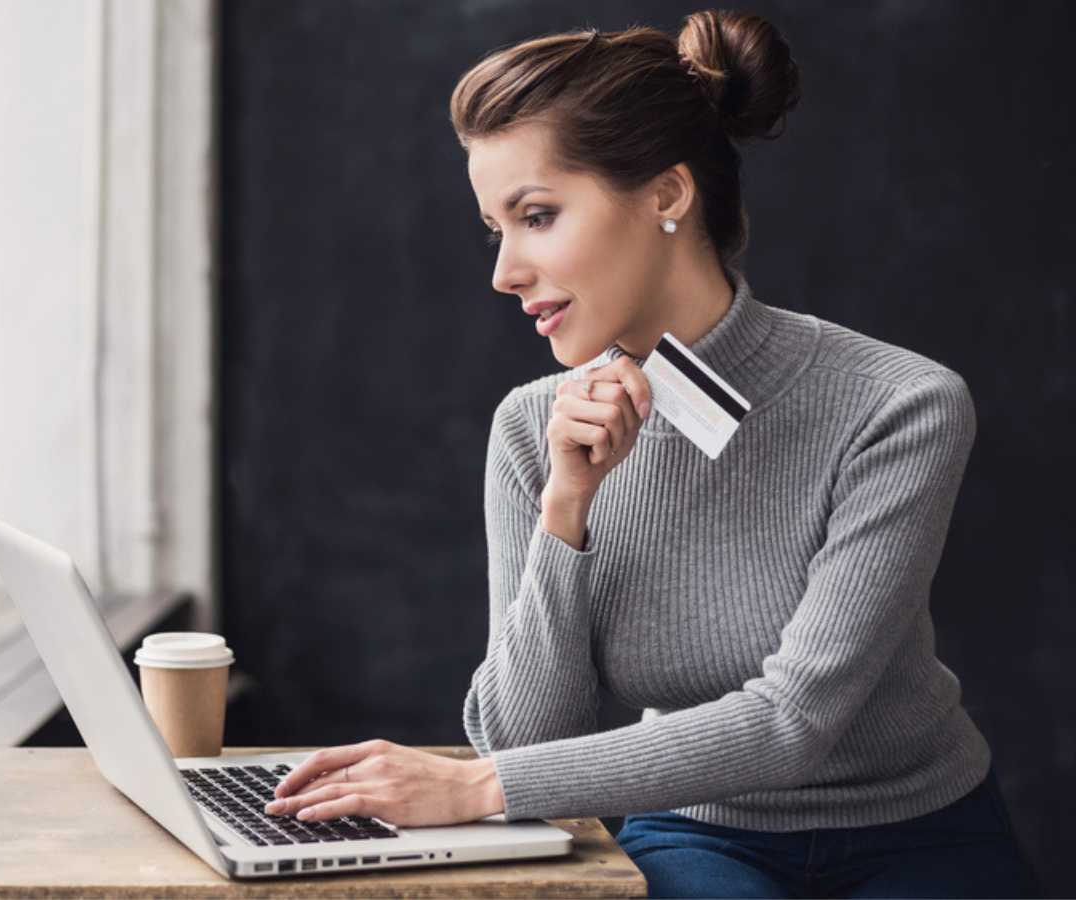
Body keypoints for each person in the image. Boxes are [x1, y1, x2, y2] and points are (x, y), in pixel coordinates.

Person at [261, 10, 1046, 898]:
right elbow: (528, 744)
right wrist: (566, 508)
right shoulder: (533, 429)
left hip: (919, 832)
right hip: (699, 830)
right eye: (496, 229)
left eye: (537, 216)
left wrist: (474, 788)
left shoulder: (899, 405)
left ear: (668, 195)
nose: (504, 272)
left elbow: (795, 721)